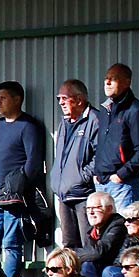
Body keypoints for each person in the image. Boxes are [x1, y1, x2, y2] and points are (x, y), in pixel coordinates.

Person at [0, 81, 46, 277]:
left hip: (15, 196)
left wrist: (20, 186)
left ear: (17, 99)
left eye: (3, 98)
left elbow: (33, 161)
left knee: (11, 242)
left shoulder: (28, 126)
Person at [91, 63, 139, 208]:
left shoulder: (136, 111)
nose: (107, 82)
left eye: (113, 79)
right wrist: (97, 173)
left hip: (122, 185)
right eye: (106, 78)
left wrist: (120, 175)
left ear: (127, 82)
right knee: (105, 230)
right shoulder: (105, 110)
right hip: (101, 183)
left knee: (123, 228)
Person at [50, 79, 102, 249]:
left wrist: (82, 177)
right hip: (64, 195)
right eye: (59, 99)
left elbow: (100, 156)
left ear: (79, 100)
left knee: (88, 245)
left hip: (83, 195)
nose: (61, 103)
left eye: (64, 98)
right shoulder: (65, 122)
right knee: (69, 246)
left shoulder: (95, 120)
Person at [74, 191, 127, 277]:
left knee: (104, 271)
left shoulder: (118, 224)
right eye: (88, 208)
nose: (90, 212)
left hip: (120, 269)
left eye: (96, 208)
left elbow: (99, 252)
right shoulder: (93, 230)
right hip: (103, 267)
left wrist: (71, 255)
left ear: (109, 209)